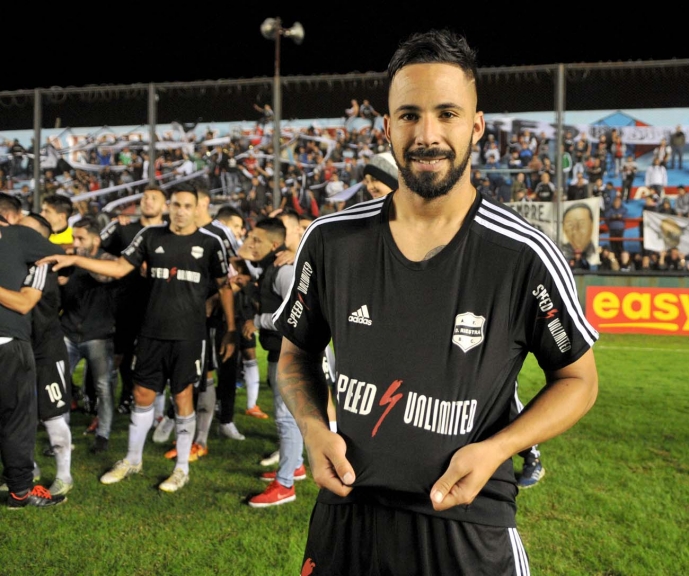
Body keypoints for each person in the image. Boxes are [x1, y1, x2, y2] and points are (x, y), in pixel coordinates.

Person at [273, 29, 599, 575]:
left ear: (476, 126)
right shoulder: (331, 241)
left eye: (447, 114)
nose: (427, 135)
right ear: (388, 127)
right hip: (346, 517)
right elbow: (294, 356)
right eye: (410, 115)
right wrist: (311, 427)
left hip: (466, 527)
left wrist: (497, 448)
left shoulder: (524, 255)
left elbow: (579, 380)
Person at [38, 186, 236, 493]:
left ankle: (181, 468)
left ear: (198, 208)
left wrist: (231, 328)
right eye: (176, 205)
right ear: (169, 207)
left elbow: (224, 286)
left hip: (188, 335)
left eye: (187, 206)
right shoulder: (150, 236)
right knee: (142, 393)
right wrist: (76, 260)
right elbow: (119, 268)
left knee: (183, 396)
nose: (181, 211)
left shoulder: (210, 243)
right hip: (151, 331)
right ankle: (133, 459)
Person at [0, 193, 67, 508]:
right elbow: (60, 257)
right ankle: (20, 491)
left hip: (29, 343)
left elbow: (26, 302)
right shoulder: (20, 241)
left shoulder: (32, 258)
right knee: (17, 421)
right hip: (12, 344)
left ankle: (24, 484)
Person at [99, 186, 168, 414]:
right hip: (124, 304)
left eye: (154, 198)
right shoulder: (123, 227)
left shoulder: (169, 233)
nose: (148, 201)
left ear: (164, 205)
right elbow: (96, 246)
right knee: (119, 356)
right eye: (145, 197)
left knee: (154, 357)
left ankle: (154, 409)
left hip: (157, 306)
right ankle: (109, 405)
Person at [60, 216, 118, 453]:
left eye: (81, 238)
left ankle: (103, 434)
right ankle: (61, 437)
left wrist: (78, 259)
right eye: (74, 238)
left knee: (103, 386)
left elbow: (106, 276)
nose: (76, 243)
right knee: (59, 384)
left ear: (96, 240)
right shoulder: (72, 261)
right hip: (68, 332)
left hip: (98, 335)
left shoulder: (108, 261)